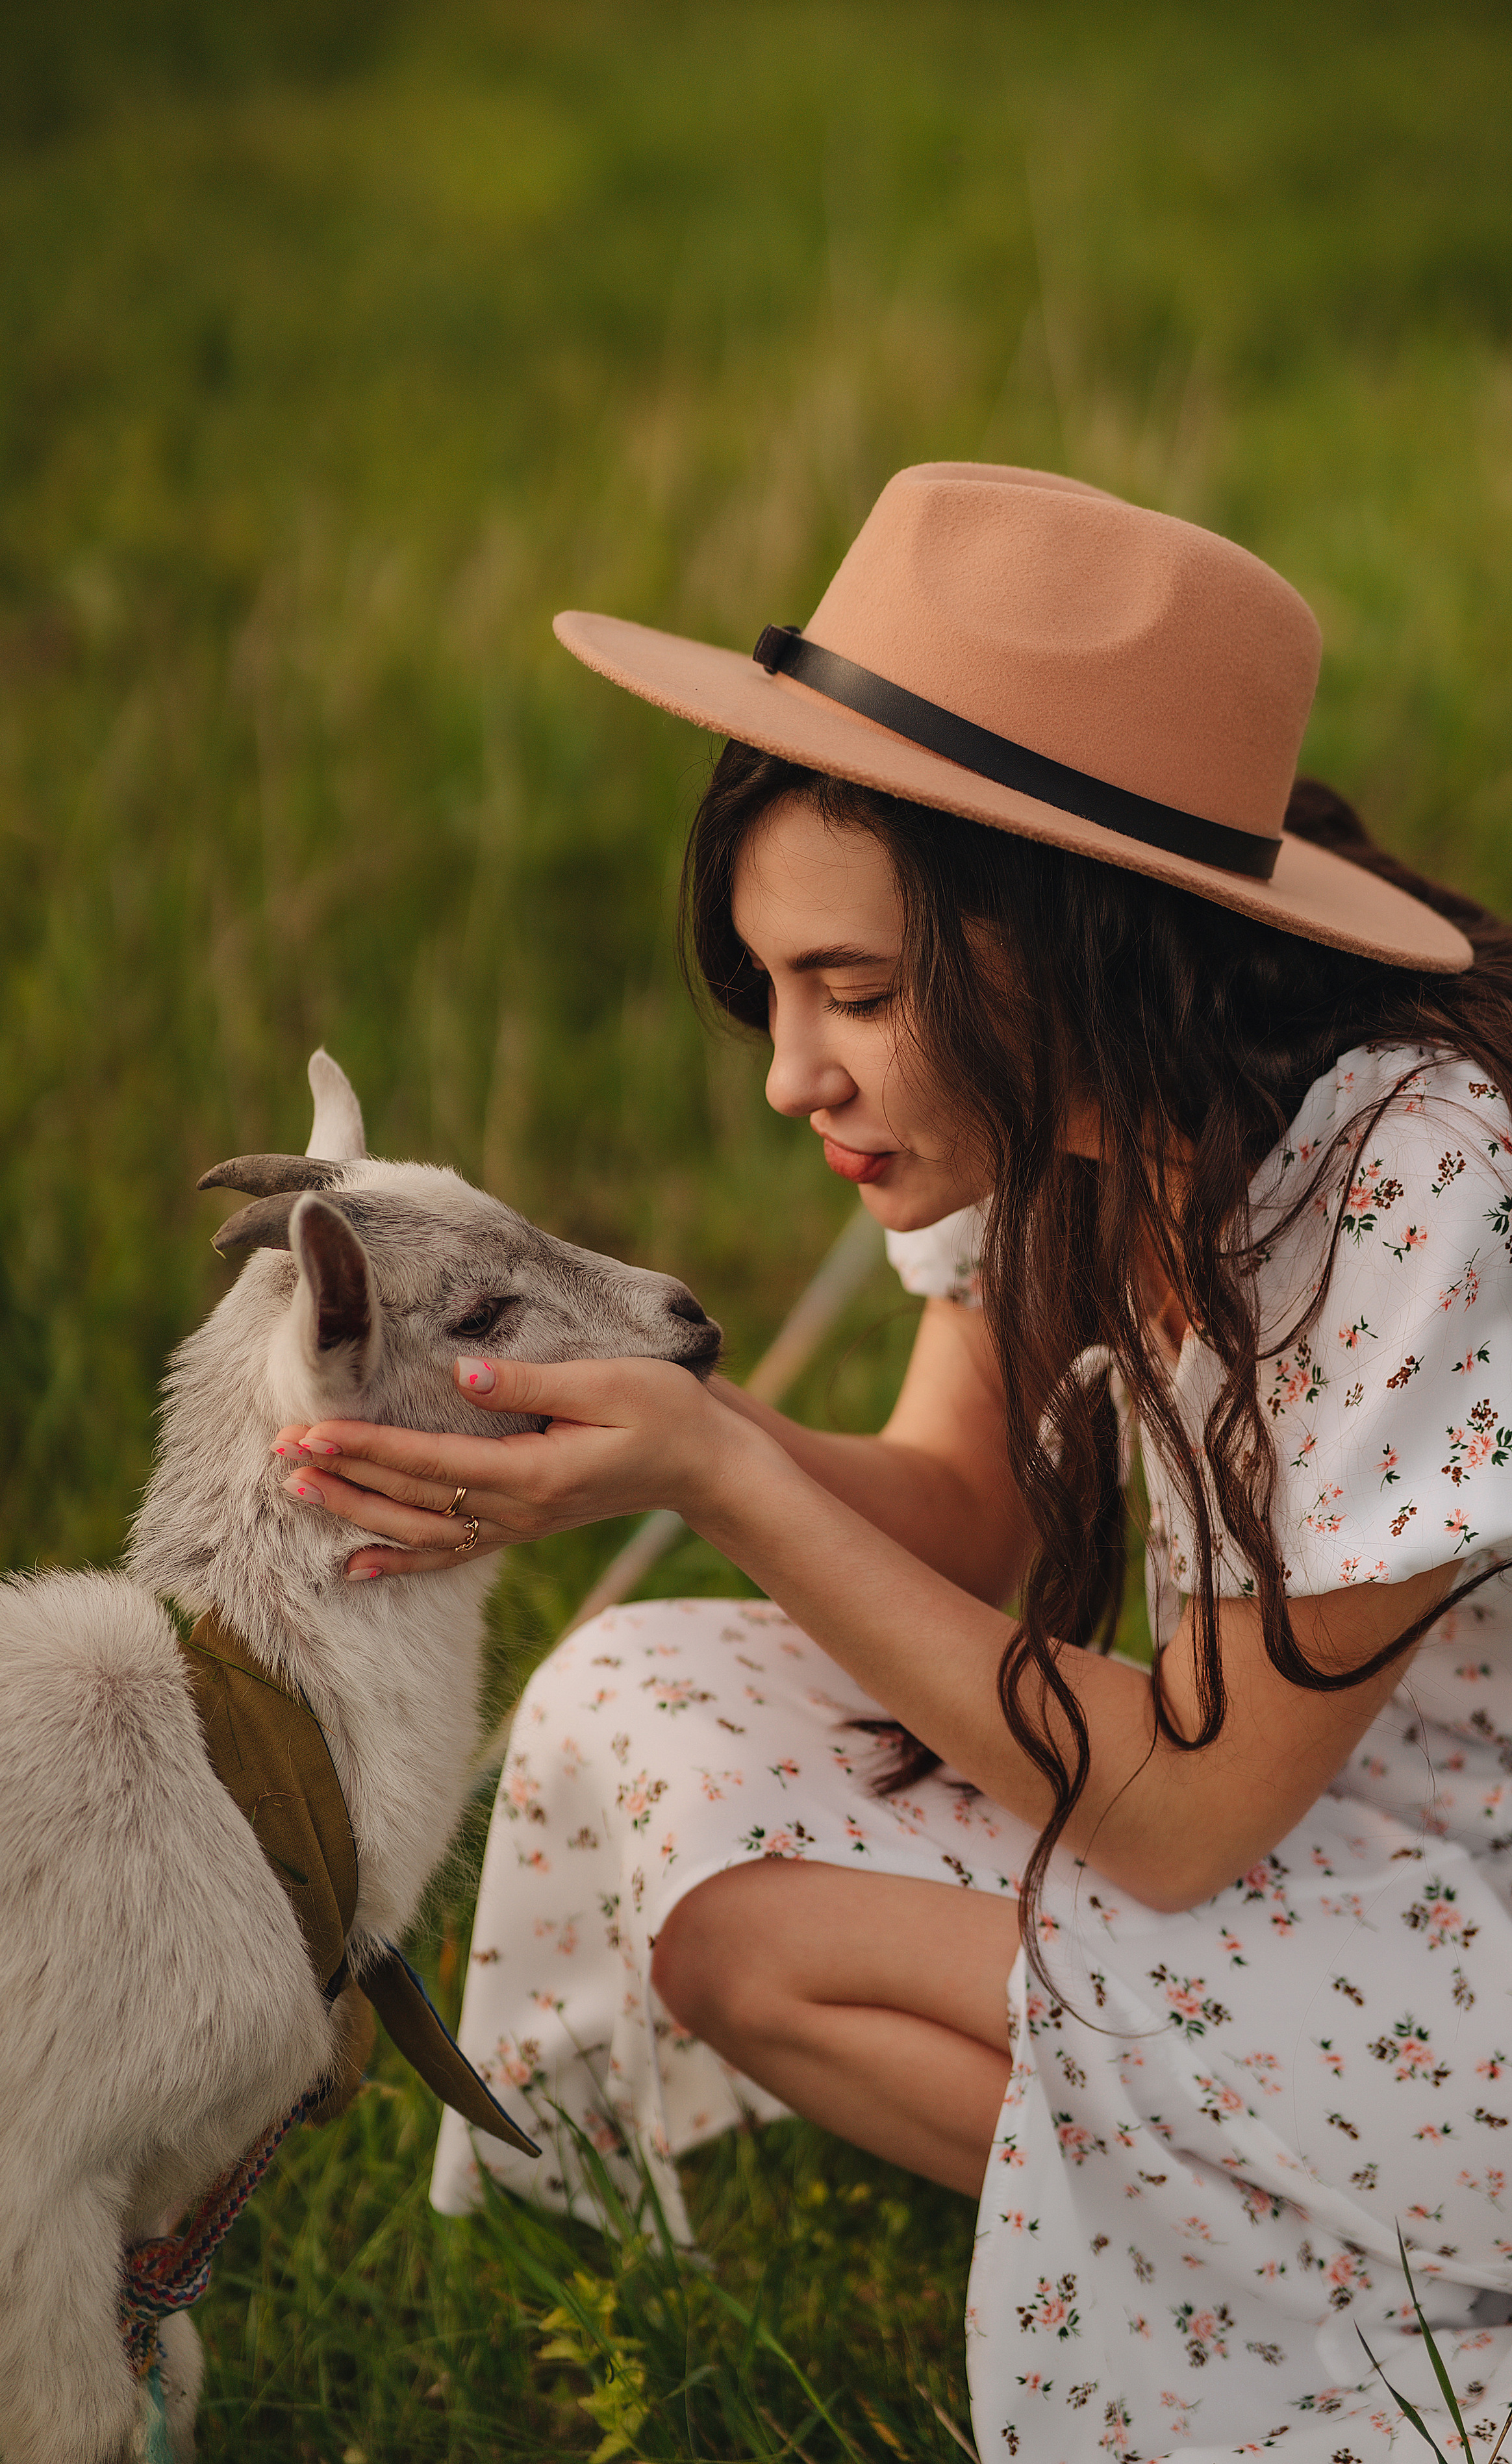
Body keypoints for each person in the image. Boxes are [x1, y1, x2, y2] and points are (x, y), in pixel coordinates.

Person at [277, 464, 1512, 2461]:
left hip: (1449, 1899)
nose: (790, 1074)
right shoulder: (1078, 1130)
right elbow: (951, 1509)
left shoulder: (1416, 1185)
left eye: (854, 991)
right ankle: (1266, 2199)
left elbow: (1186, 1816)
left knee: (800, 1935)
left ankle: (1384, 2288)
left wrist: (722, 1472)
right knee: (657, 1727)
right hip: (1333, 1850)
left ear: (1078, 949)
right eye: (772, 986)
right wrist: (624, 1423)